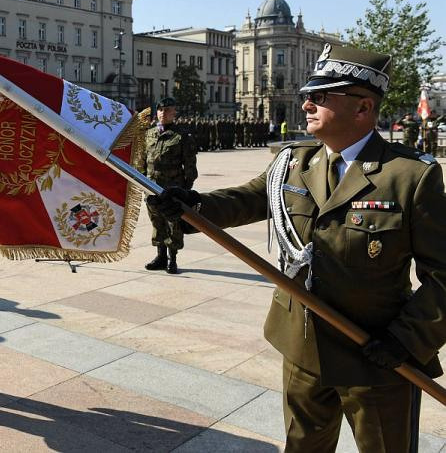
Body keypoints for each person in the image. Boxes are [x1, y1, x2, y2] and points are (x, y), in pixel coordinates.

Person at [152, 44, 446, 453]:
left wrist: (407, 340)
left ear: (362, 108)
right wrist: (192, 205)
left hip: (376, 354)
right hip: (303, 347)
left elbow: (442, 277)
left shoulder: (410, 175)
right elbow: (248, 199)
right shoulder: (293, 161)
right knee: (304, 447)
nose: (305, 103)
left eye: (321, 96)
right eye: (308, 93)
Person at [136, 97, 197, 274]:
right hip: (151, 187)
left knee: (173, 223)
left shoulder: (182, 136)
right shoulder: (149, 134)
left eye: (167, 110)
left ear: (174, 113)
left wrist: (185, 190)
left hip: (172, 190)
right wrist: (141, 181)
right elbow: (142, 160)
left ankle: (172, 258)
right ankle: (161, 257)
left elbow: (190, 166)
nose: (163, 113)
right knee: (157, 223)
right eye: (161, 110)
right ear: (157, 112)